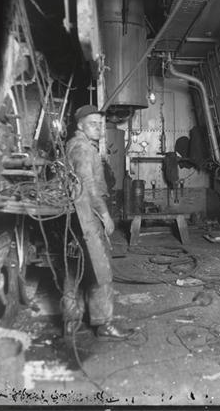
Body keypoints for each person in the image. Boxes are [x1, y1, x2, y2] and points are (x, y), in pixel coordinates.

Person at [63, 104, 132, 340]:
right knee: (101, 271)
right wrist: (105, 216)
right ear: (80, 125)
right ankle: (104, 324)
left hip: (73, 217)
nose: (99, 128)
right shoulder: (83, 148)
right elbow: (89, 188)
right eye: (93, 123)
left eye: (100, 124)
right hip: (87, 217)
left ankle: (72, 321)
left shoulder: (74, 144)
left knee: (74, 270)